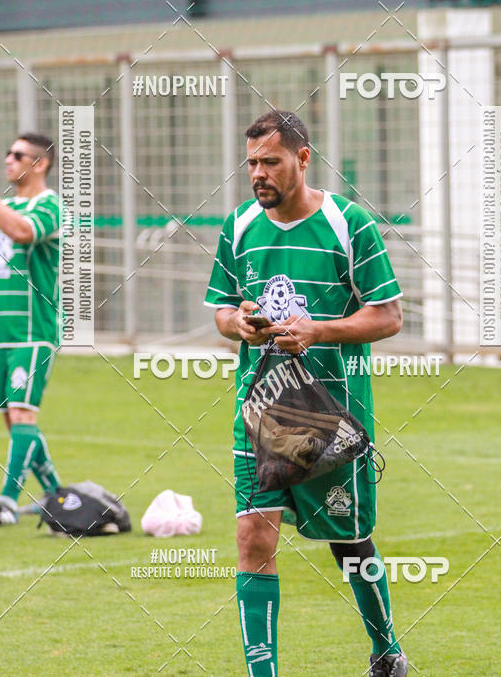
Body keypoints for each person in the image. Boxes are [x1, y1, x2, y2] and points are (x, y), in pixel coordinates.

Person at [205, 111, 408, 676]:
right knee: (253, 536)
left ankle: (387, 649)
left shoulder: (349, 223)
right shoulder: (239, 224)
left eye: (270, 162)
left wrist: (319, 331)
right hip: (260, 410)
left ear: (302, 158)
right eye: (251, 163)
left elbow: (388, 316)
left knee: (350, 543)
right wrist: (238, 323)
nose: (258, 174)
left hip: (330, 415)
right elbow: (221, 310)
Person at [0, 134, 61, 525]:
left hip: (35, 331)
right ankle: (57, 495)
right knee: (11, 417)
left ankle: (7, 502)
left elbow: (22, 232)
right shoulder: (5, 206)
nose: (8, 160)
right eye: (7, 153)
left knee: (22, 414)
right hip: (4, 334)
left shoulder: (50, 205)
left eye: (17, 155)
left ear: (40, 163)